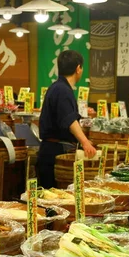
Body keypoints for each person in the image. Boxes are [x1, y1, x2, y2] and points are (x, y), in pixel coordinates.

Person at [37, 50, 97, 189]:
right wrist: (85, 142)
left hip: (51, 149)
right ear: (78, 68)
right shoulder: (62, 90)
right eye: (82, 67)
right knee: (54, 199)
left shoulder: (58, 87)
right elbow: (69, 120)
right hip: (55, 153)